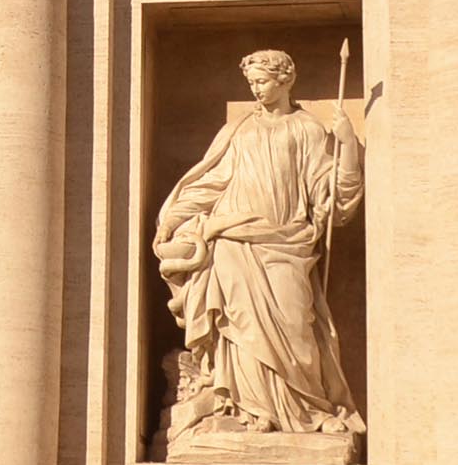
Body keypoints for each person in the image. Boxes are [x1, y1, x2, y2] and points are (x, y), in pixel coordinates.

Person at [151, 50, 365, 444]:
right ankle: (252, 409)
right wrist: (173, 217)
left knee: (296, 326)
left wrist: (348, 145)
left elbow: (331, 196)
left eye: (262, 81)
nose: (256, 90)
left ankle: (309, 408)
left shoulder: (307, 129)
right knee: (238, 326)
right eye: (251, 83)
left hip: (287, 240)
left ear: (285, 81)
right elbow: (211, 182)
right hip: (233, 238)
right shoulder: (238, 131)